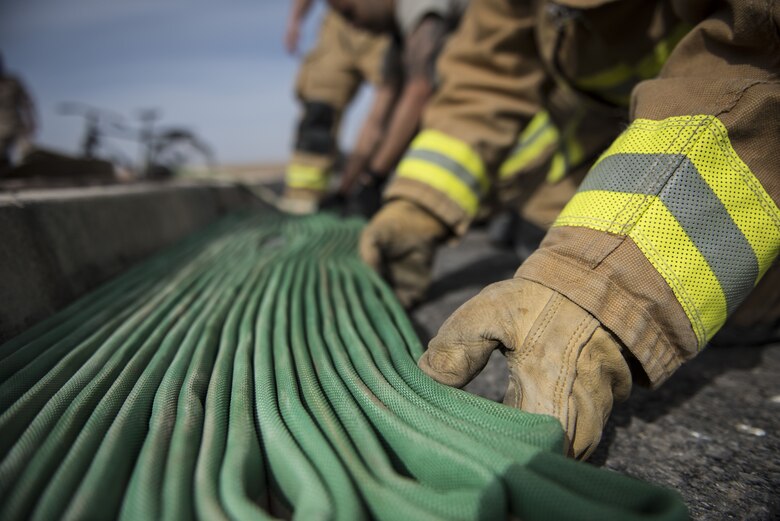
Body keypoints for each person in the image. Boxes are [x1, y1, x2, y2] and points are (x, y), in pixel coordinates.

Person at [360, 0, 780, 459]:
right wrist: (420, 204)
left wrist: (597, 283)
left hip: (736, 140)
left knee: (728, 315)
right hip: (617, 133)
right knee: (533, 236)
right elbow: (487, 75)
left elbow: (761, 56)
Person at [320, 0, 470, 216]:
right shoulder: (396, 42)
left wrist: (374, 178)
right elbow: (376, 119)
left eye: (350, 14)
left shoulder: (417, 6)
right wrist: (344, 190)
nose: (352, 27)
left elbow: (421, 89)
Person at [281, 1, 390, 214]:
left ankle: (371, 187)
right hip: (339, 26)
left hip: (385, 19)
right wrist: (295, 20)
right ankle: (302, 199)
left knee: (396, 112)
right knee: (319, 109)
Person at [0, 52, 37, 173]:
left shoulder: (13, 82)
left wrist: (31, 121)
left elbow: (27, 103)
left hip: (16, 125)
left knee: (27, 154)